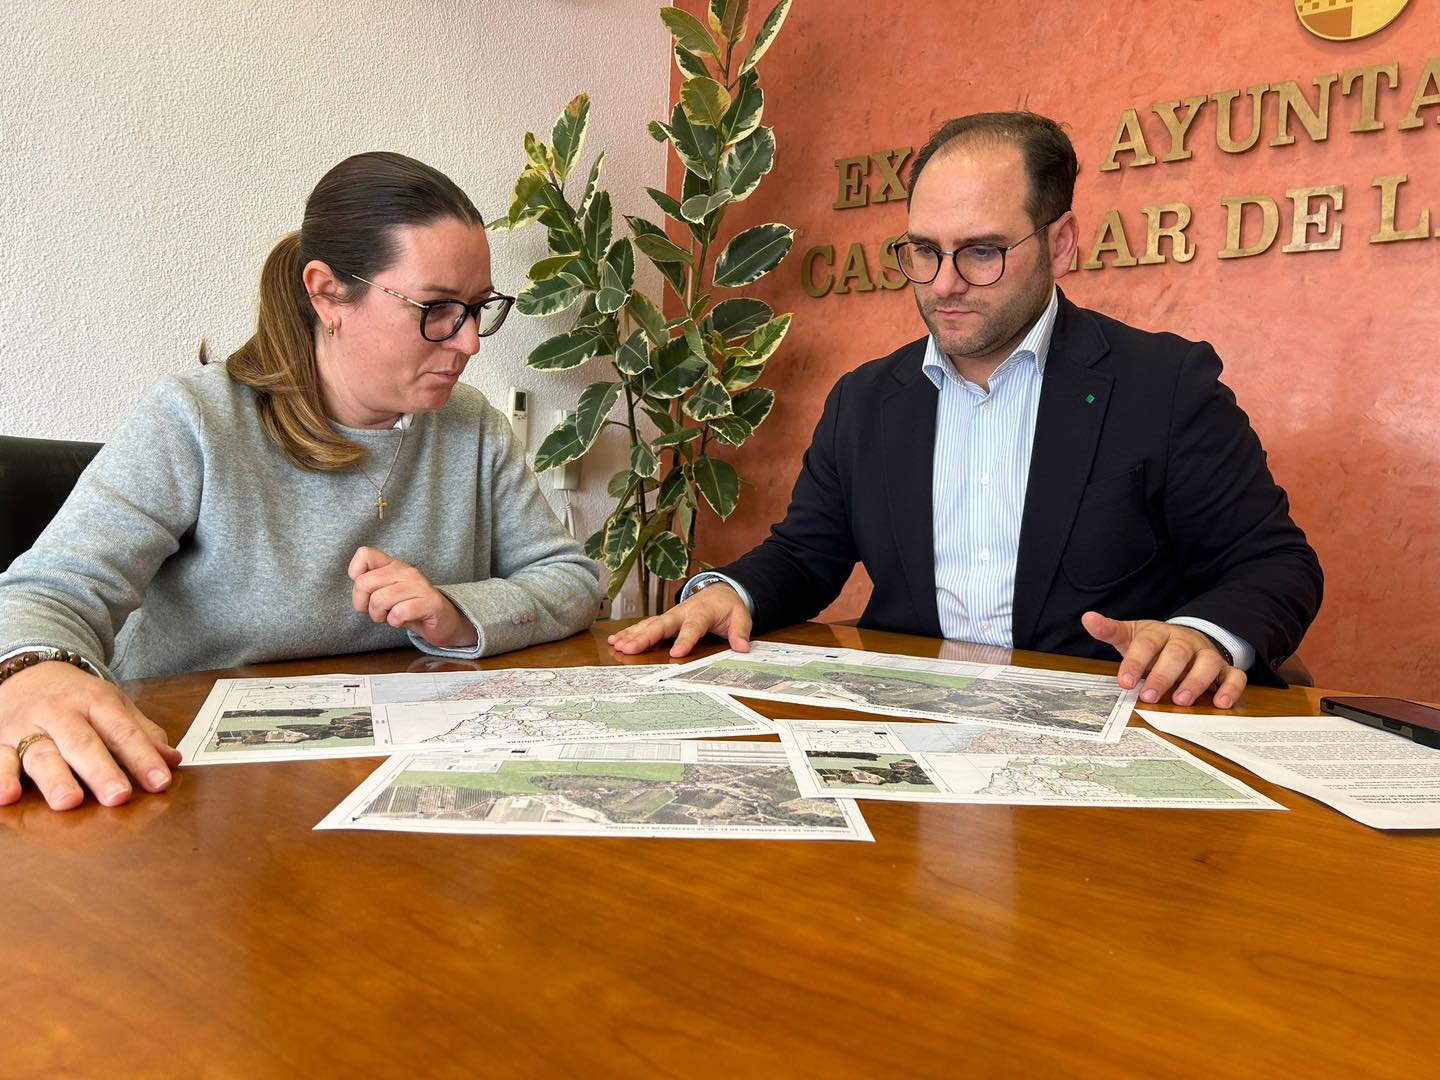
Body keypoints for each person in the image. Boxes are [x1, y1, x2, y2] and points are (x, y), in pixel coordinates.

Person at [611, 112, 1322, 711]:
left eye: (982, 252)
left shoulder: (1163, 385)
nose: (945, 284)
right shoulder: (866, 399)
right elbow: (807, 554)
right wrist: (725, 591)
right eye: (924, 251)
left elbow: (1273, 563)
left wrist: (1203, 635)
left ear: (1061, 243)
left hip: (1105, 735)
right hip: (913, 727)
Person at [0, 152, 602, 811]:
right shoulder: (195, 419)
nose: (468, 344)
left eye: (478, 308)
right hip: (193, 791)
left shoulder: (471, 426)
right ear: (326, 294)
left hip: (400, 781)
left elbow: (569, 582)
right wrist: (32, 673)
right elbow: (48, 593)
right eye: (435, 308)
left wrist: (458, 615)